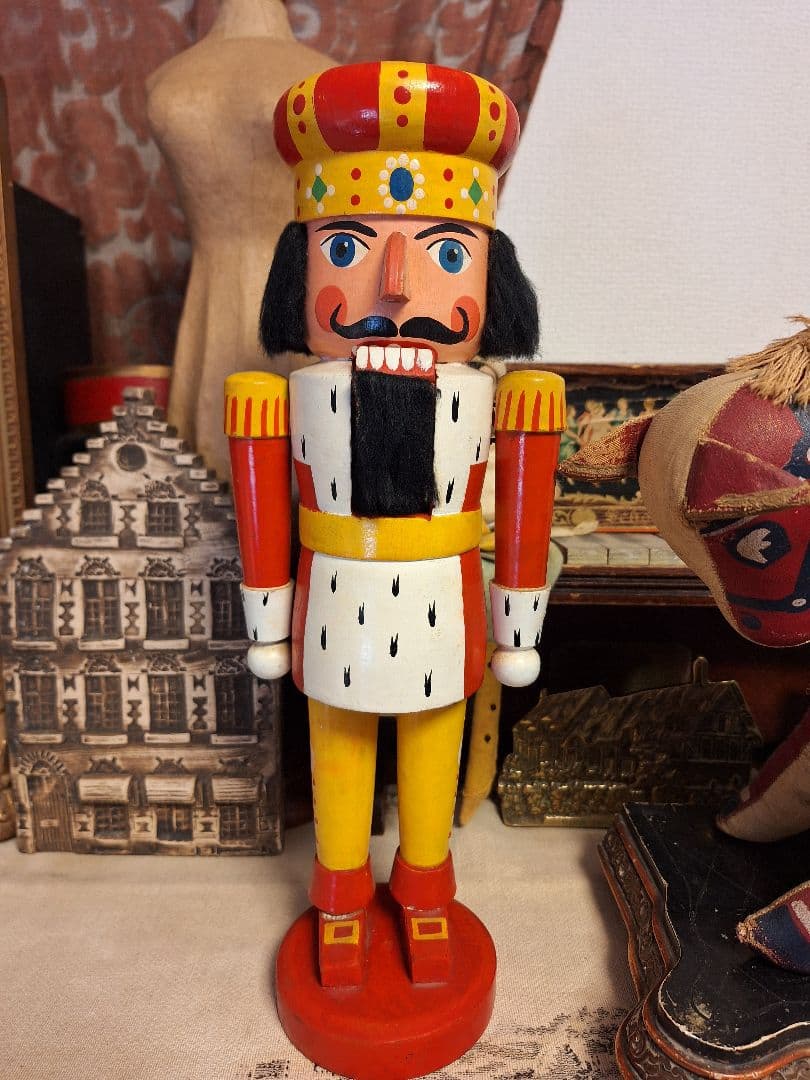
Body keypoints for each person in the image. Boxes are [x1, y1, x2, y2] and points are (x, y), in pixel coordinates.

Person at [223, 60, 564, 1073]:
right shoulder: (278, 399)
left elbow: (524, 516)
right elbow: (263, 515)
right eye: (348, 247)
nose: (399, 288)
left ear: (495, 278)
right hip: (332, 604)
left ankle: (425, 889)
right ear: (296, 272)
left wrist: (517, 626)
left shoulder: (506, 400)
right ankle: (338, 898)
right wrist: (268, 623)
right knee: (335, 752)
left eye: (447, 250)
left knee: (430, 752)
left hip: (447, 612)